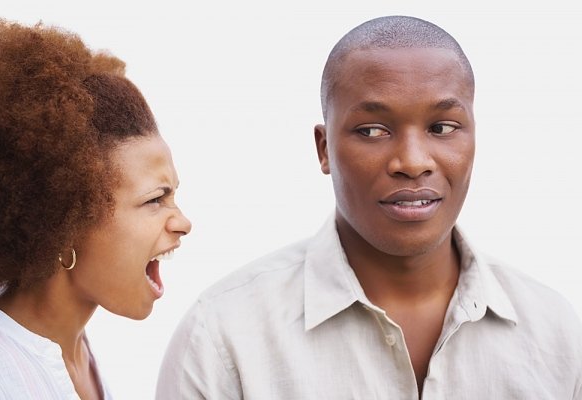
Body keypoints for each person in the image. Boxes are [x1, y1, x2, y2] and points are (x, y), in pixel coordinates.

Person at [156, 15, 582, 400]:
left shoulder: (557, 335)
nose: (413, 162)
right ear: (324, 149)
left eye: (443, 127)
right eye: (373, 130)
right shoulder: (223, 338)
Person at [0, 18, 191, 399]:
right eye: (154, 200)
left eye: (173, 196)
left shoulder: (75, 350)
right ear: (66, 218)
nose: (183, 223)